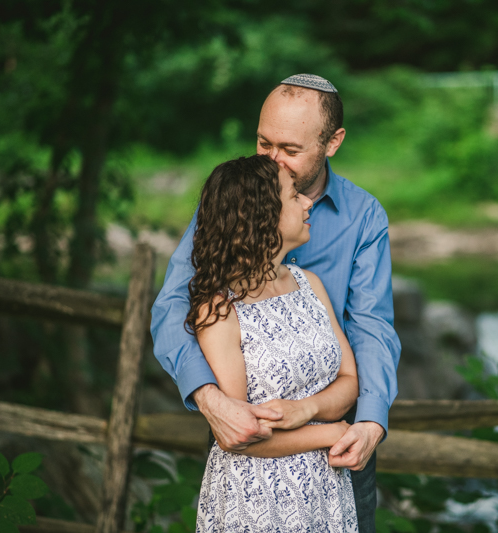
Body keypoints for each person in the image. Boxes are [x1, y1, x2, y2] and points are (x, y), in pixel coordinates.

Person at [151, 74, 400, 532]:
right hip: (253, 452)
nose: (272, 161)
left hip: (339, 448)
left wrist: (368, 423)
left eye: (290, 149)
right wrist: (211, 401)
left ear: (333, 142)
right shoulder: (231, 204)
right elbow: (172, 306)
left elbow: (371, 328)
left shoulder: (363, 217)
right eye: (264, 143)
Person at [190, 155, 358, 531]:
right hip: (259, 496)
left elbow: (349, 379)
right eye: (293, 195)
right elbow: (239, 436)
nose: (307, 202)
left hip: (325, 489)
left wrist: (308, 407)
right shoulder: (220, 310)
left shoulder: (309, 284)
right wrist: (329, 432)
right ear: (261, 214)